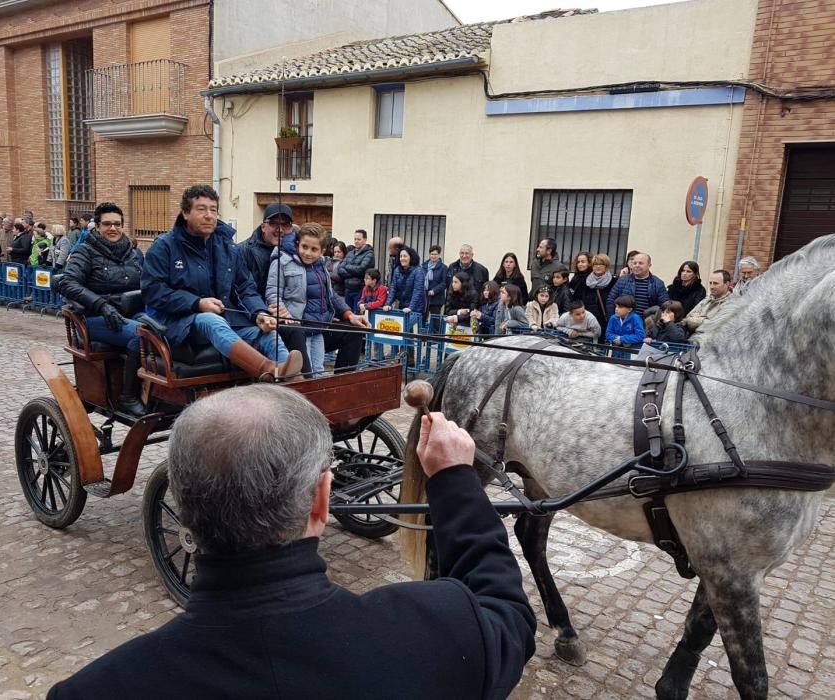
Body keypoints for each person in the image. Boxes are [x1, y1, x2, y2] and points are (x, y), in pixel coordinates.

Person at [47, 385, 537, 699]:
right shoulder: (439, 631)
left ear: (183, 504)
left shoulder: (96, 690)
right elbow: (505, 611)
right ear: (322, 501)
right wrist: (454, 480)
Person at [141, 185, 303, 381]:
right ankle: (268, 370)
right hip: (180, 323)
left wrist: (259, 313)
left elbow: (245, 288)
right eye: (201, 209)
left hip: (229, 320)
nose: (209, 215)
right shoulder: (164, 246)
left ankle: (296, 382)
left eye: (213, 209)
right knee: (212, 320)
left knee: (268, 334)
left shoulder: (227, 247)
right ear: (185, 213)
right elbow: (153, 291)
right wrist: (197, 303)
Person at [56, 202, 148, 416]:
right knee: (139, 336)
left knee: (160, 330)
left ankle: (152, 390)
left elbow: (147, 281)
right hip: (96, 318)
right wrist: (101, 305)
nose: (113, 228)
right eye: (107, 224)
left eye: (117, 224)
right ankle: (128, 396)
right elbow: (67, 282)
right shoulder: (85, 251)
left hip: (129, 313)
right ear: (97, 226)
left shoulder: (132, 253)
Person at [267, 223, 356, 377]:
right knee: (306, 372)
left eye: (314, 249)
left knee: (318, 369)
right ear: (297, 244)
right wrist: (284, 314)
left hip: (318, 328)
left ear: (322, 251)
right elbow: (273, 292)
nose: (308, 253)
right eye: (304, 247)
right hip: (297, 327)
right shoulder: (282, 261)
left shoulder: (321, 266)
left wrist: (349, 313)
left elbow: (330, 295)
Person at [238, 203, 294, 300]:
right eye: (273, 223)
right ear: (263, 227)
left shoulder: (300, 251)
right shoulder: (242, 251)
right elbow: (243, 289)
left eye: (285, 224)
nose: (280, 230)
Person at [605, 252, 668, 318]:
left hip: (647, 326)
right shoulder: (622, 280)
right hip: (623, 324)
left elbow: (664, 306)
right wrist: (614, 320)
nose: (637, 265)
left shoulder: (658, 283)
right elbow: (611, 301)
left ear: (649, 265)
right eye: (634, 263)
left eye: (641, 263)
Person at [335, 228, 375, 310]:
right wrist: (352, 271)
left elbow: (361, 269)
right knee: (347, 315)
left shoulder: (369, 254)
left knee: (357, 316)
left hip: (360, 290)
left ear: (365, 240)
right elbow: (339, 268)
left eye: (359, 239)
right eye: (355, 239)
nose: (356, 241)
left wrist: (347, 267)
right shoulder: (350, 253)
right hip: (347, 289)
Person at [684, 269, 733, 334]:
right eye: (710, 283)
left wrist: (697, 318)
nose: (711, 286)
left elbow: (715, 325)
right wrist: (704, 320)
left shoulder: (732, 303)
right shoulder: (707, 299)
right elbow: (688, 317)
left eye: (715, 283)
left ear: (726, 284)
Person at [383, 246, 425, 315]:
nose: (402, 258)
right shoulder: (397, 270)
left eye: (405, 256)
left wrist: (411, 307)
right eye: (400, 256)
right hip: (402, 307)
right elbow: (393, 289)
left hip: (416, 309)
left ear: (411, 258)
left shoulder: (418, 271)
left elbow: (417, 291)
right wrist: (388, 304)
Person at [421, 244, 449, 319]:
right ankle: (423, 331)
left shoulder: (443, 268)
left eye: (435, 254)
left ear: (439, 255)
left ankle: (435, 331)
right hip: (424, 296)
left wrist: (434, 290)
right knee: (423, 318)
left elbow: (444, 283)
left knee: (435, 320)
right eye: (431, 254)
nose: (433, 256)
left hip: (436, 298)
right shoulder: (424, 266)